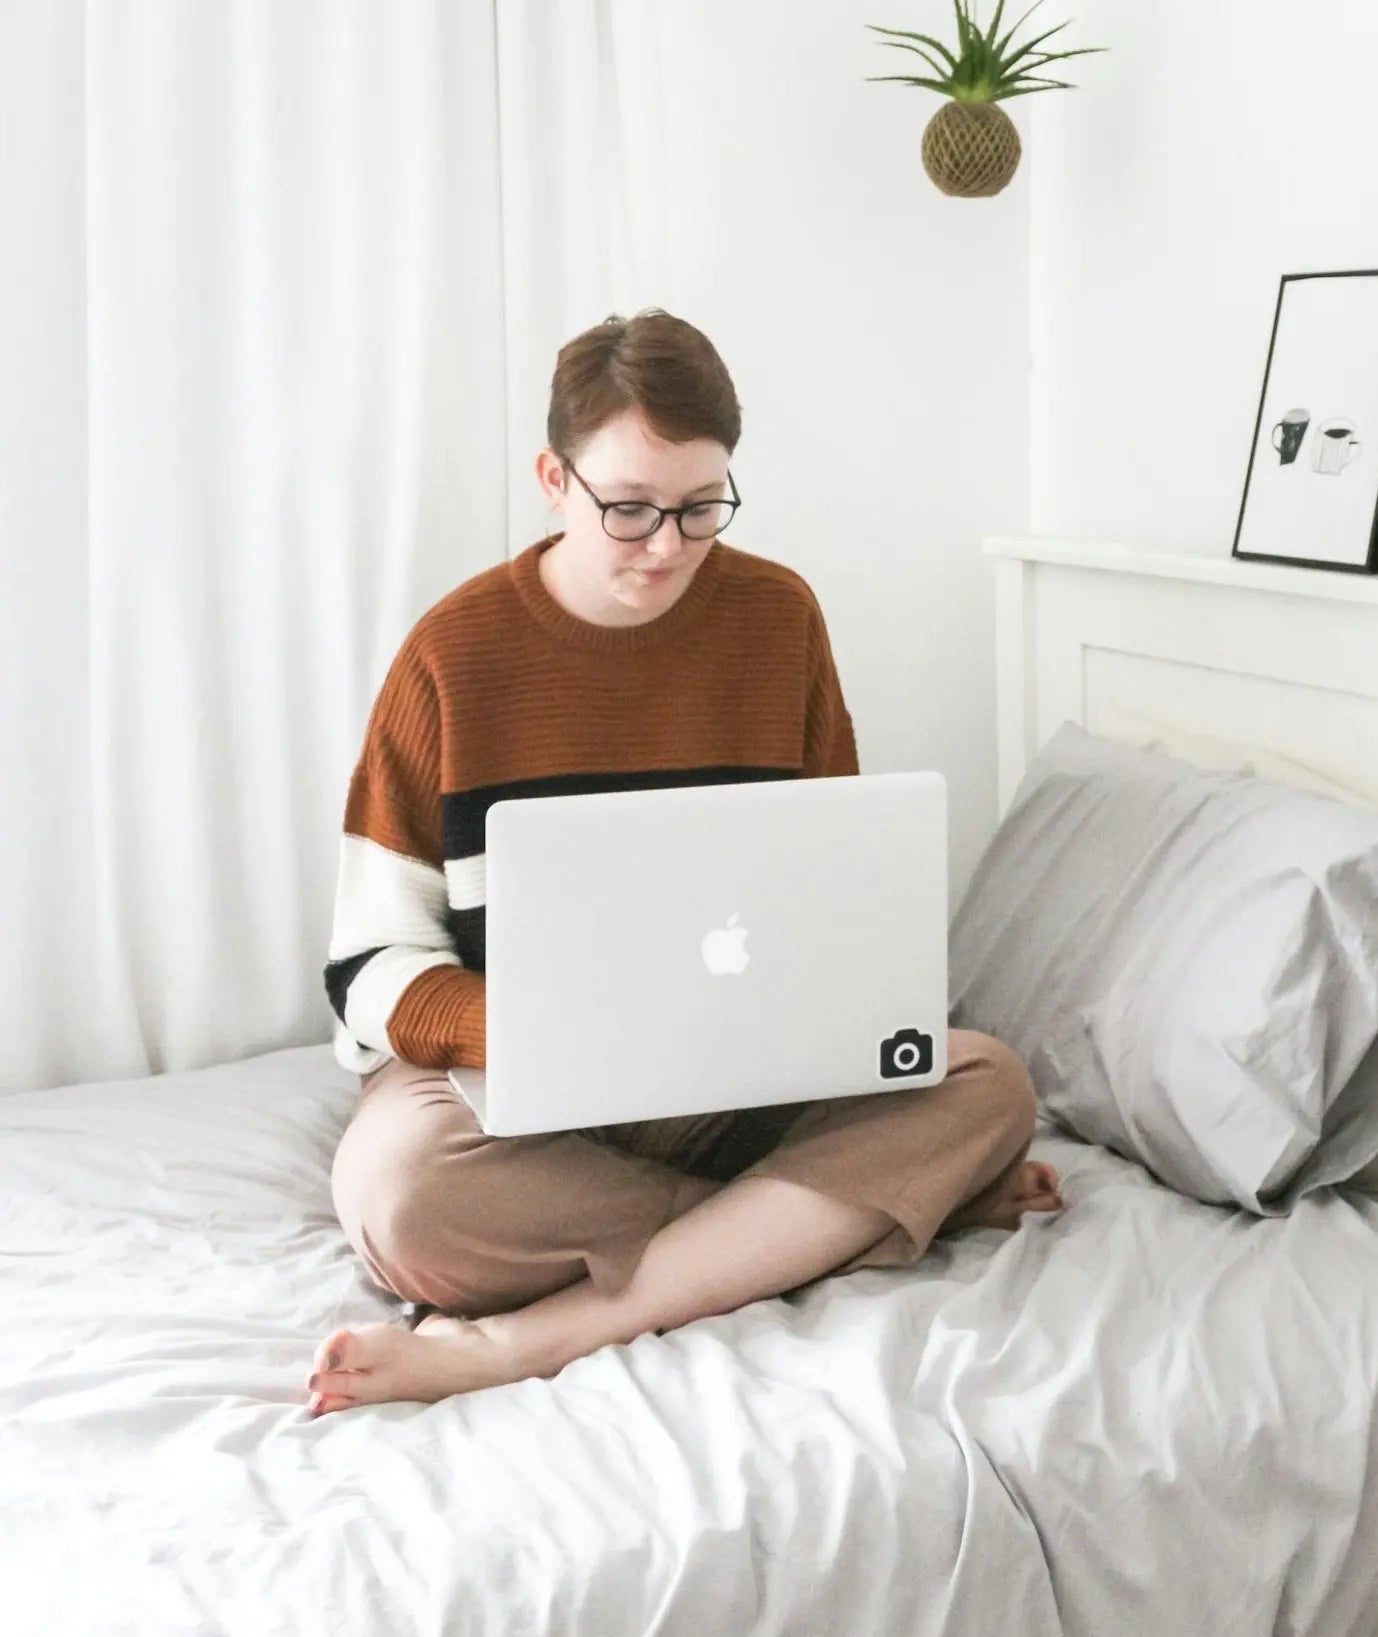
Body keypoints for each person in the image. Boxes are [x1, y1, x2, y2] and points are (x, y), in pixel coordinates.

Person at [307, 311, 1062, 1415]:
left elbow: (839, 885)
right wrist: (519, 1027)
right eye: (627, 508)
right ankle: (820, 1218)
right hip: (516, 1092)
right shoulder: (452, 654)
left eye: (701, 506)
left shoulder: (779, 618)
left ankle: (536, 1336)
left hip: (732, 1071)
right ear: (553, 480)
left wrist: (818, 1009)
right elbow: (369, 962)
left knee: (989, 1079)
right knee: (401, 1196)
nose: (665, 544)